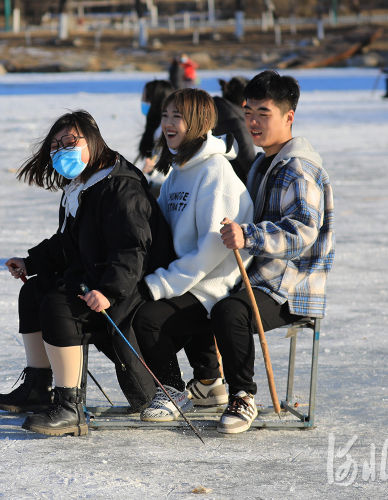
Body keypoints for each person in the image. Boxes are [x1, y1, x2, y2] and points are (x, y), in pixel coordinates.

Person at [0, 110, 175, 437]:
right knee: (32, 293)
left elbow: (132, 248)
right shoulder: (82, 185)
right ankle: (37, 385)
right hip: (94, 275)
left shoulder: (120, 187)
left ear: (92, 140)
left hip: (128, 289)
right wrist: (30, 262)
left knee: (60, 307)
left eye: (70, 141)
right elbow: (69, 242)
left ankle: (70, 407)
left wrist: (109, 290)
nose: (63, 150)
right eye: (56, 146)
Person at [214, 70, 334, 434]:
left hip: (292, 286)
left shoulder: (297, 168)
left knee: (229, 312)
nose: (252, 121)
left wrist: (249, 236)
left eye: (263, 114)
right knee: (204, 301)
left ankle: (243, 396)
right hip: (262, 276)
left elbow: (303, 232)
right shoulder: (266, 162)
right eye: (248, 111)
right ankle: (208, 385)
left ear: (288, 117)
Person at [132, 88, 254, 422]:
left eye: (178, 117)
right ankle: (210, 382)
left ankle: (172, 391)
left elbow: (212, 250)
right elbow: (161, 227)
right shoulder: (179, 169)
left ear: (199, 123)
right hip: (190, 278)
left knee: (147, 317)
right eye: (165, 116)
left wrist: (160, 284)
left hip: (216, 284)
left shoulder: (215, 173)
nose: (168, 124)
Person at [214, 76, 256, 185]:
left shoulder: (212, 113)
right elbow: (249, 164)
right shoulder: (237, 124)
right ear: (244, 103)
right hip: (234, 185)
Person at [137, 79, 174, 196]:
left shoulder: (166, 130)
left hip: (165, 189)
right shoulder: (156, 127)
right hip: (157, 185)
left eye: (146, 98)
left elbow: (173, 167)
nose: (142, 101)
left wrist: (153, 169)